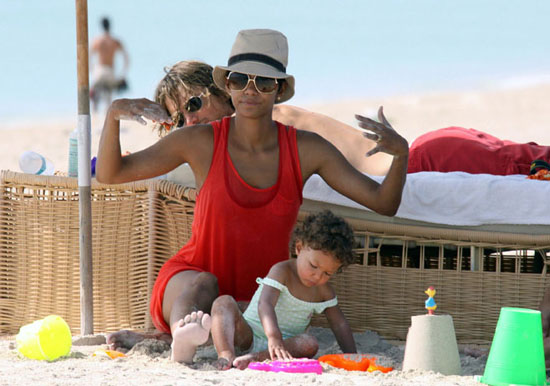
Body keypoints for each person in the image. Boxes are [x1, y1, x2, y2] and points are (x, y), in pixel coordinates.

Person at [96, 28, 408, 363]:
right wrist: (114, 113)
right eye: (240, 79)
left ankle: (182, 335)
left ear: (280, 89)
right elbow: (110, 173)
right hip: (193, 275)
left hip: (263, 294)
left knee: (239, 315)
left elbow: (383, 203)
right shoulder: (199, 140)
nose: (250, 89)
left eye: (264, 82)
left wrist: (401, 155)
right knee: (204, 284)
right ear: (227, 84)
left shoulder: (306, 149)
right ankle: (182, 342)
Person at [152, 61, 393, 186]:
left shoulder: (259, 123)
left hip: (402, 167)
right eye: (179, 120)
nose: (191, 121)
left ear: (221, 91)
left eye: (193, 105)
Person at [210, 210, 357, 370]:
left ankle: (255, 358)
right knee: (223, 302)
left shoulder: (324, 291)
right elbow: (265, 304)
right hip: (249, 334)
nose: (317, 276)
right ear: (299, 248)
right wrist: (273, 337)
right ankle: (226, 354)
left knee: (309, 343)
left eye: (327, 273)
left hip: (287, 347)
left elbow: (339, 325)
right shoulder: (282, 271)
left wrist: (353, 355)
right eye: (313, 266)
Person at [408, 126, 550, 175]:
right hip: (434, 144)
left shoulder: (420, 160)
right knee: (512, 158)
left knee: (513, 162)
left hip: (429, 152)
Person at [90, 16, 130, 112]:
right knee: (108, 98)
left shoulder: (97, 41)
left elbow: (89, 57)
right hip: (110, 72)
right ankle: (106, 118)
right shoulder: (115, 41)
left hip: (99, 71)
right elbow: (126, 58)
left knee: (94, 93)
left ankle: (94, 115)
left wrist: (91, 71)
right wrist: (123, 73)